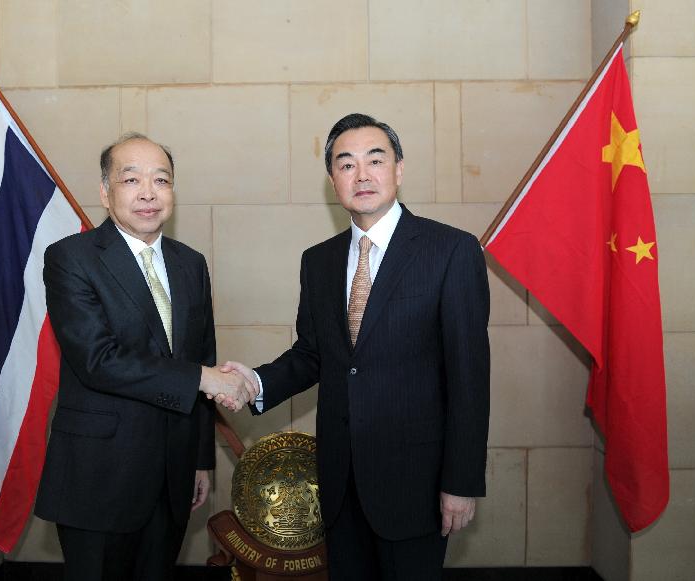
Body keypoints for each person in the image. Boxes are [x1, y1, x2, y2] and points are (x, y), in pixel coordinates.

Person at [222, 114, 490, 580]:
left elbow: (470, 377)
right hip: (340, 486)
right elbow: (312, 355)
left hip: (418, 486)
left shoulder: (451, 251)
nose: (361, 174)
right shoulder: (319, 261)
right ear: (333, 180)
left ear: (399, 170)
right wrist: (255, 383)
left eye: (375, 159)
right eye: (346, 164)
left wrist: (462, 482)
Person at [35, 132, 254, 580]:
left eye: (162, 179)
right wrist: (201, 378)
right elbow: (98, 360)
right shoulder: (71, 258)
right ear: (105, 192)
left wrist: (199, 459)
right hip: (99, 476)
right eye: (131, 179)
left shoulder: (190, 263)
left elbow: (202, 354)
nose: (148, 193)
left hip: (173, 476)